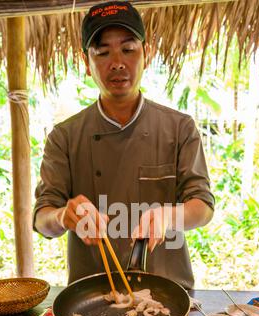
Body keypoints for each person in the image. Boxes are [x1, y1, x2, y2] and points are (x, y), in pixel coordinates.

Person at [33, 1, 215, 289]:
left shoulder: (179, 127)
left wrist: (169, 215)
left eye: (128, 49)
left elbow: (202, 207)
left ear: (147, 52)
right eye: (103, 52)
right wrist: (62, 215)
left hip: (168, 289)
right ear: (86, 61)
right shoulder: (65, 136)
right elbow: (42, 218)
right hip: (92, 294)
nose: (117, 62)